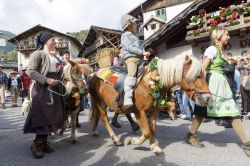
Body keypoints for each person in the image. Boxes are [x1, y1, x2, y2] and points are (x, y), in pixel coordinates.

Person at [185, 27, 250, 157]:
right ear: (220, 36)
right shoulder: (212, 49)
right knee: (202, 112)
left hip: (221, 83)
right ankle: (190, 135)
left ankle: (247, 144)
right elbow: (202, 68)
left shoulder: (221, 51)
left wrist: (233, 61)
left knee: (231, 113)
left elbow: (223, 65)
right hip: (213, 83)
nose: (229, 37)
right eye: (227, 34)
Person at [23, 33, 66, 159]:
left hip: (55, 87)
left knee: (52, 116)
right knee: (43, 116)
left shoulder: (54, 56)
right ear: (46, 41)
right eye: (53, 39)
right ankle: (36, 144)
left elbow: (59, 70)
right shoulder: (38, 54)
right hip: (43, 88)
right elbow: (30, 71)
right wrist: (46, 80)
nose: (55, 41)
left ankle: (44, 141)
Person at [120, 14, 151, 108]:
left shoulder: (135, 37)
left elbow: (141, 47)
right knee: (132, 74)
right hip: (131, 58)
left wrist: (145, 53)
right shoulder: (125, 35)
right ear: (129, 24)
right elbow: (129, 47)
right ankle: (127, 97)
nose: (137, 25)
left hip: (140, 58)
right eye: (135, 23)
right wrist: (142, 52)